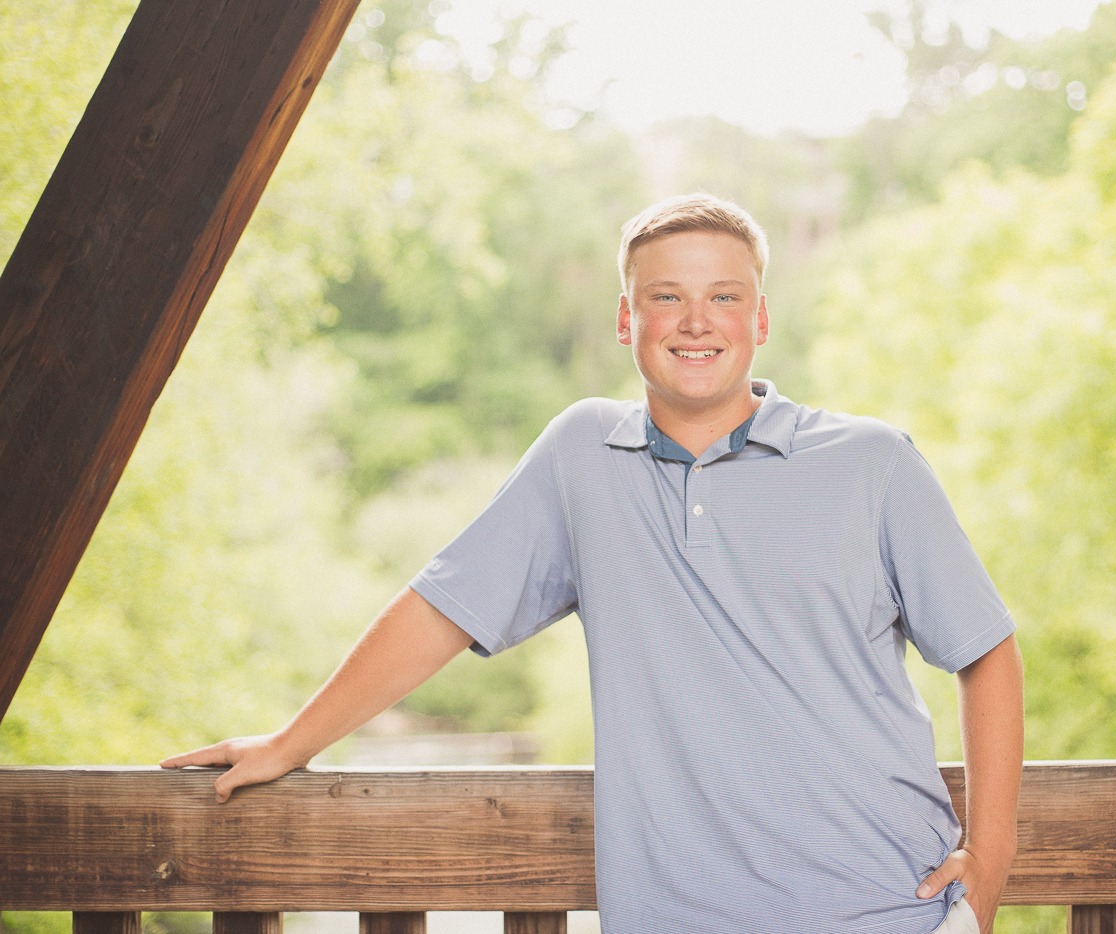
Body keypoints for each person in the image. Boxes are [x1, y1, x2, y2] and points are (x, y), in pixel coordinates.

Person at [163, 193, 1024, 934]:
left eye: (725, 296)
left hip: (884, 906)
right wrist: (290, 742)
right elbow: (442, 609)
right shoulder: (582, 456)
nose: (697, 321)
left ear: (759, 320)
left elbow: (986, 651)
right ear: (626, 319)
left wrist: (989, 862)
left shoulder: (871, 463)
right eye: (667, 296)